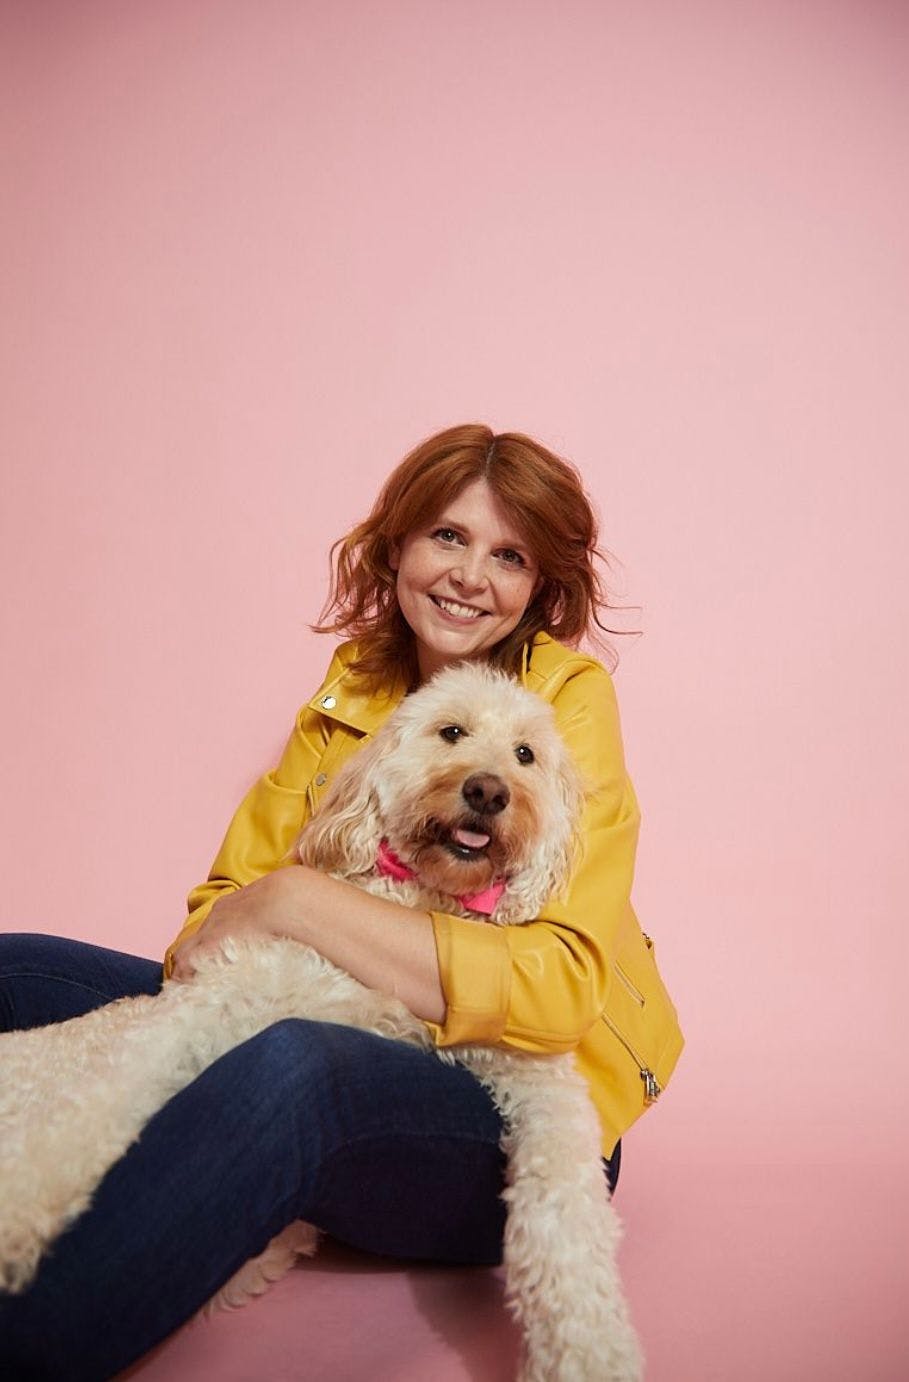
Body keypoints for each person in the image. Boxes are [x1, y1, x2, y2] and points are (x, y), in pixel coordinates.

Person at [0, 423, 684, 1380]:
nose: (469, 577)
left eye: (508, 555)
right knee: (17, 967)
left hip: (499, 1123)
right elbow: (210, 928)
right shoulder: (351, 693)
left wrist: (294, 901)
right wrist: (271, 906)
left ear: (539, 585)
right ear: (397, 545)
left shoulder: (566, 704)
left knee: (296, 1062)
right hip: (319, 1015)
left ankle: (31, 1338)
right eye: (446, 537)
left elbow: (558, 988)